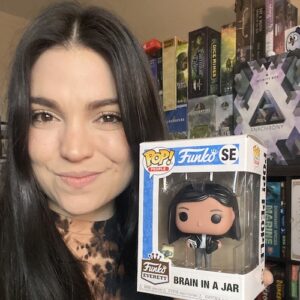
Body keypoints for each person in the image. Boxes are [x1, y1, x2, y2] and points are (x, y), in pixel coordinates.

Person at [0, 2, 272, 300]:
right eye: (44, 116)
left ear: (141, 125)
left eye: (108, 117)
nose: (74, 150)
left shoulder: (180, 256)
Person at [168, 182, 241, 269]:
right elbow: (192, 239)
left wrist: (217, 244)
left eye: (215, 217)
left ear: (232, 215)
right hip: (198, 247)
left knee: (208, 261)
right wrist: (189, 241)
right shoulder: (195, 235)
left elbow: (216, 241)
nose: (199, 223)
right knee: (198, 261)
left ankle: (208, 270)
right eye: (184, 215)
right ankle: (198, 269)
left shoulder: (211, 236)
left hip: (208, 248)